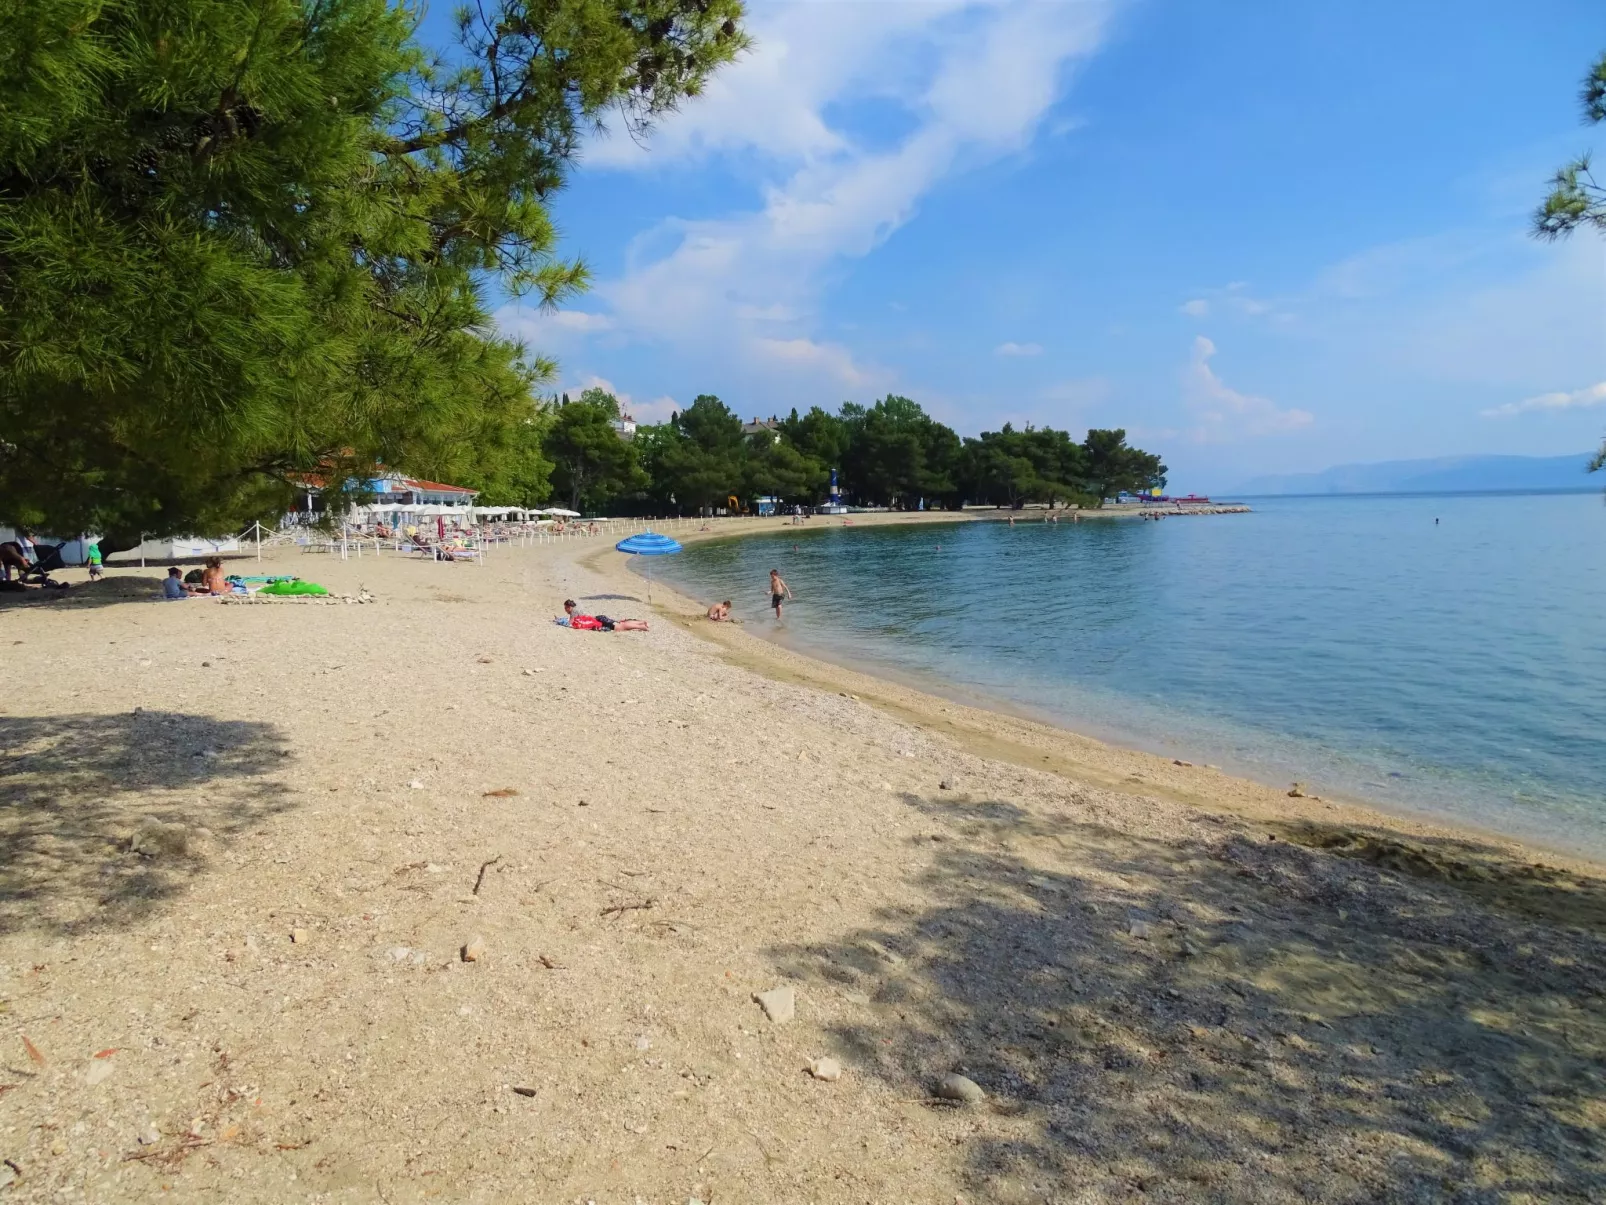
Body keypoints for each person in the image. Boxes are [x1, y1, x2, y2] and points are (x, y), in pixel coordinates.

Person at [560, 599, 648, 632]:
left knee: (621, 626)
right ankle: (641, 623)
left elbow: (570, 623)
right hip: (600, 618)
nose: (565, 610)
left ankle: (642, 627)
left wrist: (559, 621)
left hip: (600, 620)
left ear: (569, 607)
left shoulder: (573, 612)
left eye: (565, 608)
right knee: (620, 623)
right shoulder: (577, 609)